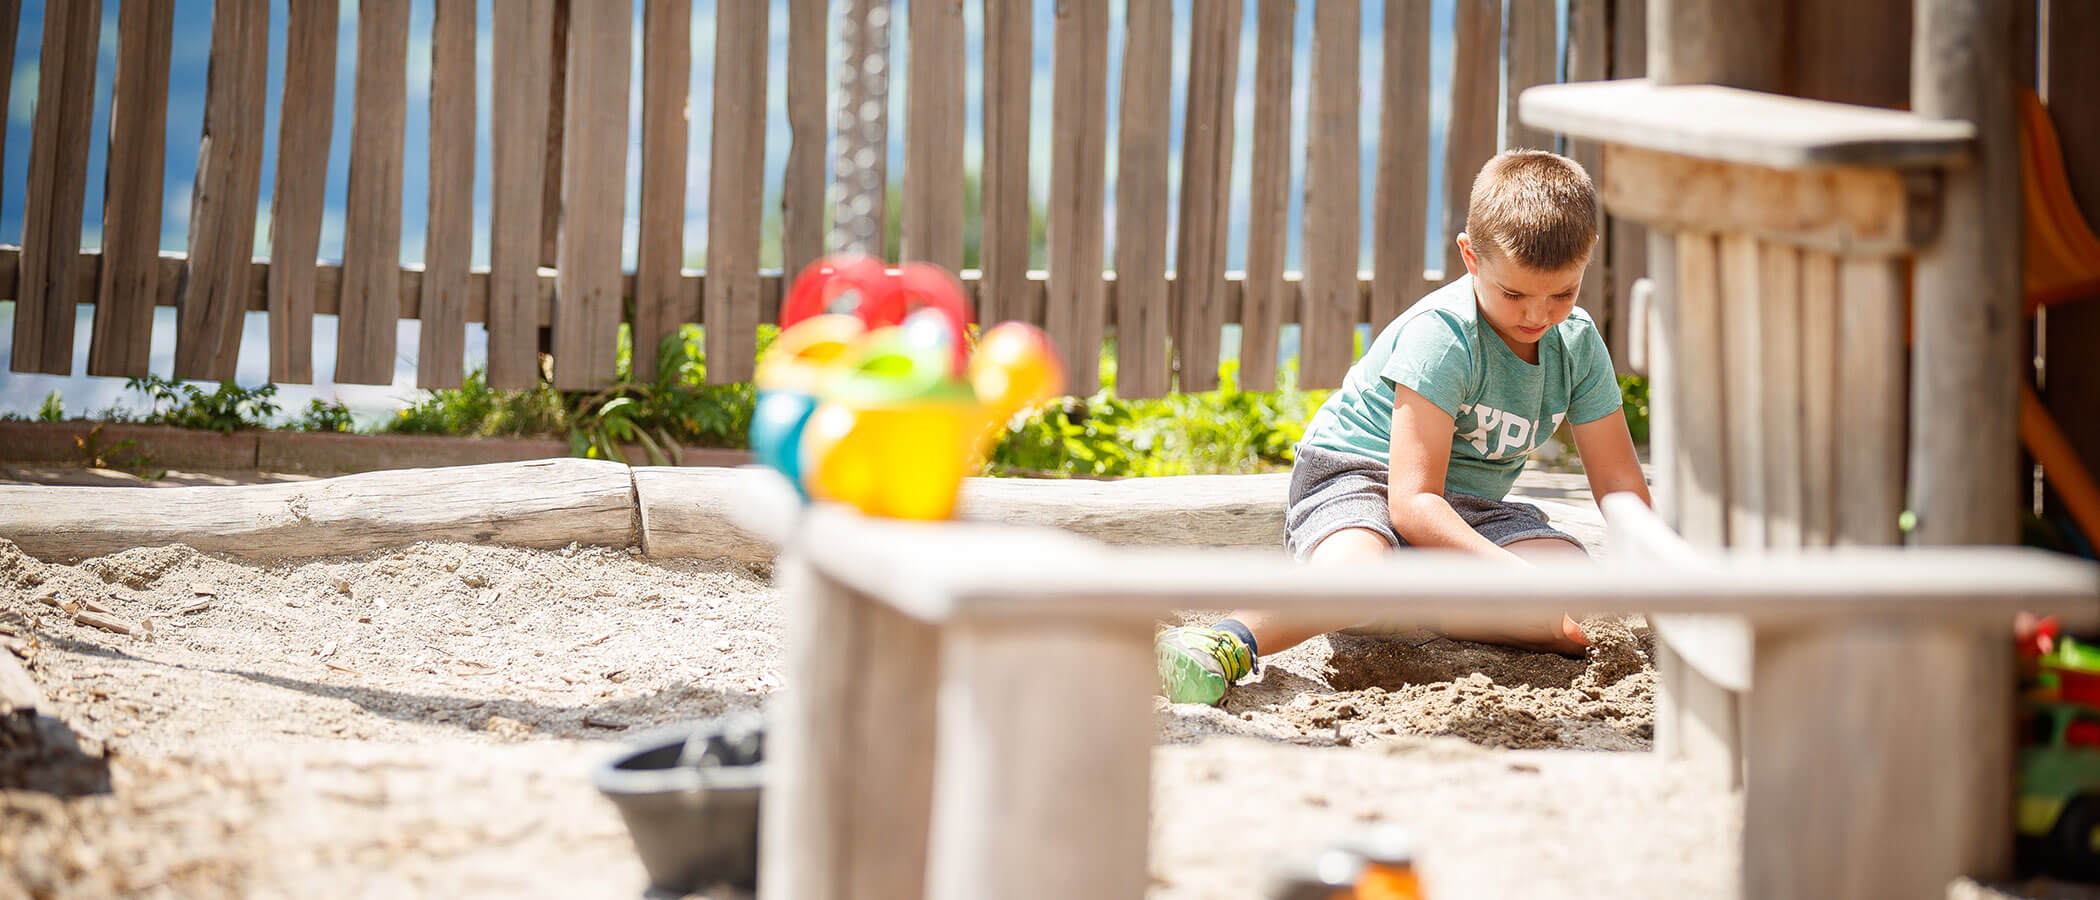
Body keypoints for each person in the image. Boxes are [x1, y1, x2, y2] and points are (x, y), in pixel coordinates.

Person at [1156, 149, 1653, 706]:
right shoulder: (1443, 336)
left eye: (1562, 294)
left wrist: (1659, 576)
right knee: (1359, 579)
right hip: (1363, 478)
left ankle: (1416, 597)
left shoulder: (1577, 343)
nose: (1538, 315)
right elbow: (1412, 503)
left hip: (1461, 501)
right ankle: (1225, 642)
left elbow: (1620, 487)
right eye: (1514, 294)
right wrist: (1514, 579)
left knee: (1573, 584)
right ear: (1470, 257)